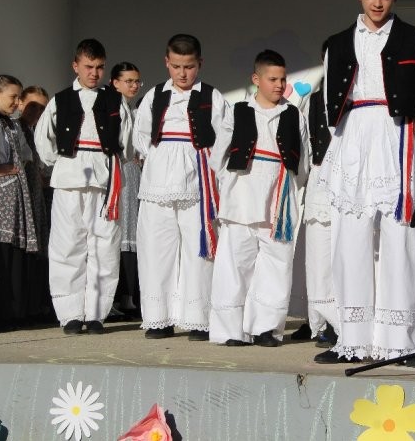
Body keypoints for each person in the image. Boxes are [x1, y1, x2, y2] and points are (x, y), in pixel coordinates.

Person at [314, 0, 415, 363]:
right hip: (354, 138)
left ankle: (400, 340)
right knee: (349, 238)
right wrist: (343, 148)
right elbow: (330, 103)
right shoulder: (338, 42)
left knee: (401, 240)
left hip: (398, 137)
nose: (377, 3)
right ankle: (352, 339)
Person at [208, 49, 310, 346]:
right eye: (272, 79)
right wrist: (231, 186)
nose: (279, 85)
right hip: (242, 196)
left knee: (276, 264)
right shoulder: (238, 111)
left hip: (278, 199)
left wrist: (288, 188)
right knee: (235, 264)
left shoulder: (294, 115)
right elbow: (218, 157)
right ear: (256, 79)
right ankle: (230, 330)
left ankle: (266, 328)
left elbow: (303, 161)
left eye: (282, 79)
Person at [35, 39, 133, 335]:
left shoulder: (115, 100)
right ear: (75, 66)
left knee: (104, 246)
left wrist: (112, 162)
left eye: (99, 67)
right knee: (67, 245)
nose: (94, 73)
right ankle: (70, 314)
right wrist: (62, 162)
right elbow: (44, 139)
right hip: (69, 176)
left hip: (104, 180)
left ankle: (96, 314)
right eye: (88, 66)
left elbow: (127, 142)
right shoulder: (61, 99)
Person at [133, 34, 227, 341]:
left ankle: (198, 319)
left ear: (200, 64)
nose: (182, 73)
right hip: (158, 181)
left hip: (197, 181)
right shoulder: (155, 95)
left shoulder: (212, 96)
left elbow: (224, 136)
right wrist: (159, 158)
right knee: (156, 248)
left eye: (188, 66)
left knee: (198, 250)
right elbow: (141, 136)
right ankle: (158, 318)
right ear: (166, 63)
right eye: (176, 66)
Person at [296, 39, 339, 348]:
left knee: (350, 258)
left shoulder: (363, 98)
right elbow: (303, 149)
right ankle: (321, 321)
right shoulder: (311, 101)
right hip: (321, 182)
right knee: (318, 258)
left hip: (353, 184)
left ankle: (345, 322)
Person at [0, 75, 38, 331]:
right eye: (12, 97)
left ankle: (14, 311)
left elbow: (25, 154)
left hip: (14, 197)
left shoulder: (12, 125)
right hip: (0, 197)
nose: (16, 102)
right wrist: (2, 169)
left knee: (13, 253)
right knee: (2, 252)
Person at [110, 62, 143, 319]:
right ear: (116, 83)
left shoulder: (129, 109)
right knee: (117, 230)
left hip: (131, 172)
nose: (134, 86)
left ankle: (127, 295)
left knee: (130, 229)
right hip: (119, 171)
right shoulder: (114, 109)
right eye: (128, 81)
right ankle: (113, 296)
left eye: (136, 82)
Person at [17, 85, 52, 324]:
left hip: (37, 199)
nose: (37, 112)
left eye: (41, 108)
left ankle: (36, 306)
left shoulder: (35, 131)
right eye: (33, 106)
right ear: (20, 103)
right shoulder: (14, 129)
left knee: (38, 254)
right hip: (19, 200)